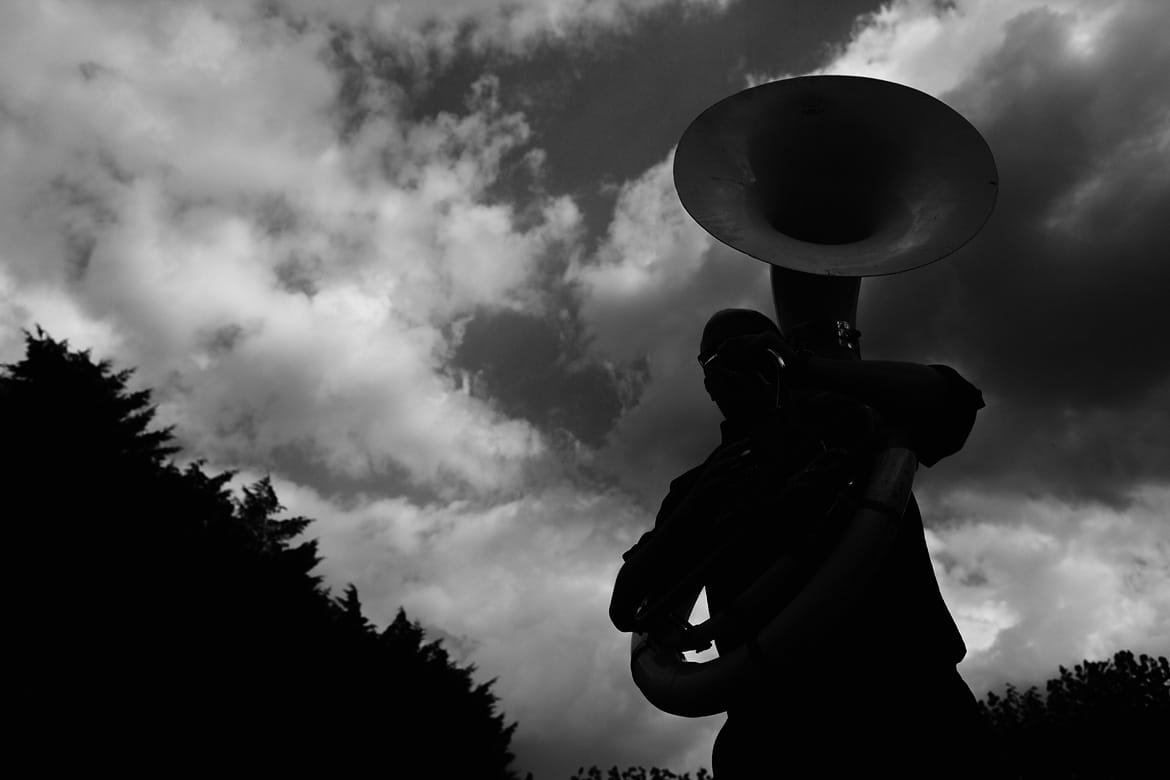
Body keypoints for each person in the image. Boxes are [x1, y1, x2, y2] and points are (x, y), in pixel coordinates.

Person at [609, 307, 995, 777]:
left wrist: (805, 364)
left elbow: (955, 399)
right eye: (716, 362)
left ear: (780, 355)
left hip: (915, 705)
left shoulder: (859, 424)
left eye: (754, 350)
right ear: (707, 385)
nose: (735, 366)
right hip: (775, 733)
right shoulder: (696, 488)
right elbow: (627, 607)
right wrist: (693, 511)